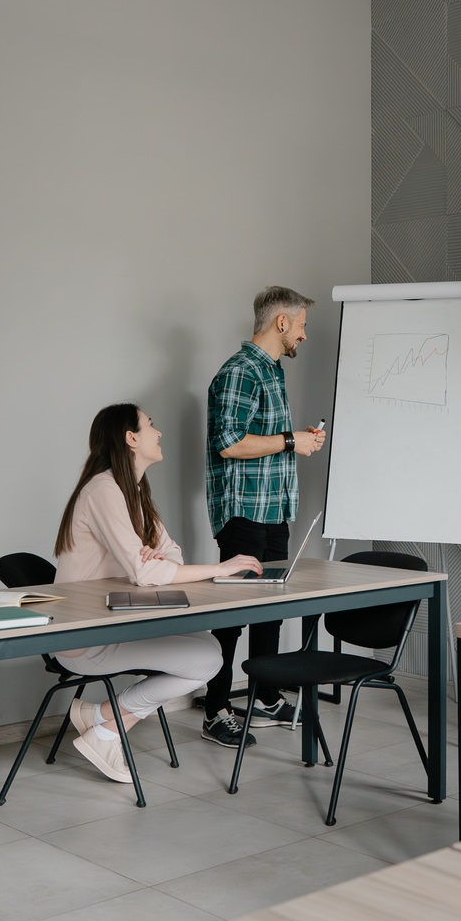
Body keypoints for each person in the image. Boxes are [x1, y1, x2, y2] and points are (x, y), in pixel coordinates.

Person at [53, 403, 262, 784]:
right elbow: (149, 571)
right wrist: (219, 567)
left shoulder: (132, 490)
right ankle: (107, 728)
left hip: (113, 625)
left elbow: (172, 556)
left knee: (207, 647)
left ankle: (102, 717)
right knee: (206, 660)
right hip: (83, 638)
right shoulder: (104, 490)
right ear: (131, 438)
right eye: (151, 425)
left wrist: (154, 562)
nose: (159, 432)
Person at [200, 285, 325, 747]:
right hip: (244, 514)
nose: (305, 336)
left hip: (273, 511)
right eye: (303, 326)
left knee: (269, 609)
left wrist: (296, 439)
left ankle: (265, 696)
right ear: (281, 323)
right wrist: (292, 440)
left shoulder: (270, 371)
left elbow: (261, 440)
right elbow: (229, 443)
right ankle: (215, 709)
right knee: (233, 615)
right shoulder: (240, 372)